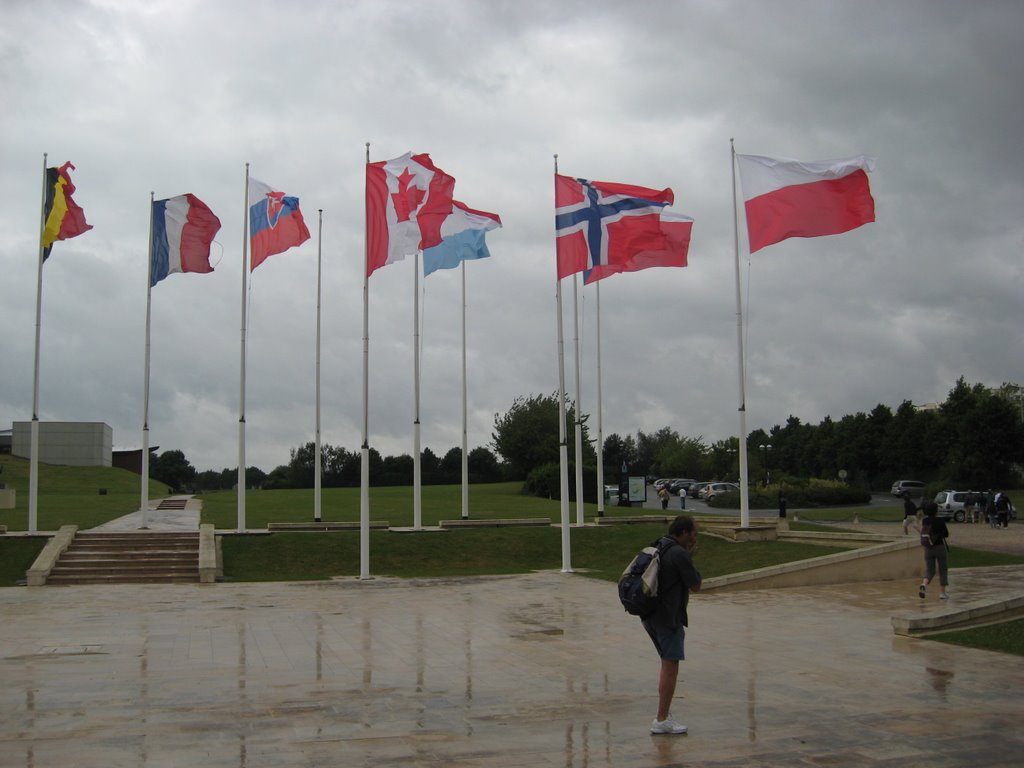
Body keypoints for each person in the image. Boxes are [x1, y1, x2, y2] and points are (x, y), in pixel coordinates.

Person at [642, 515, 702, 735]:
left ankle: (663, 715)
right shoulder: (678, 553)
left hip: (651, 615)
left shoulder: (660, 544)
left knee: (667, 663)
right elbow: (696, 585)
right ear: (684, 532)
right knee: (670, 665)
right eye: (694, 533)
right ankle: (662, 719)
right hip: (668, 618)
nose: (696, 538)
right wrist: (690, 557)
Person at [915, 501, 950, 600]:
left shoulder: (925, 520)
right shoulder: (940, 520)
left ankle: (924, 584)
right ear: (936, 510)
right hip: (939, 546)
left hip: (928, 547)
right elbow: (946, 534)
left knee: (930, 570)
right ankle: (942, 593)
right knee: (943, 569)